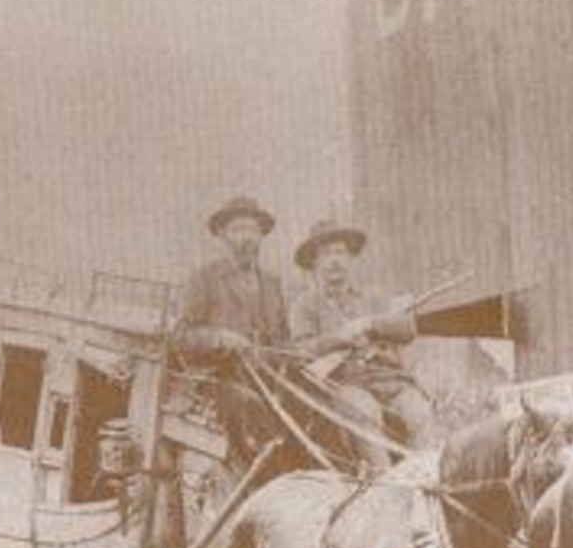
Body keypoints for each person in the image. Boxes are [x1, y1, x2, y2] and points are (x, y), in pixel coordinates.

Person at [287, 219, 439, 468]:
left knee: (419, 413)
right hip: (345, 385)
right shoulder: (304, 306)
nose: (335, 260)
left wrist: (371, 323)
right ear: (314, 263)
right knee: (365, 413)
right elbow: (301, 351)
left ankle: (424, 483)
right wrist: (340, 338)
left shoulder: (373, 297)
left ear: (350, 259)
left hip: (391, 380)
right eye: (326, 254)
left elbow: (408, 329)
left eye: (341, 253)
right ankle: (386, 485)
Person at [171, 194, 288, 362]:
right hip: (216, 378)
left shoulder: (272, 284)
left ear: (261, 236)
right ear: (222, 234)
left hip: (266, 378)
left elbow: (283, 338)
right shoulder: (204, 278)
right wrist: (219, 338)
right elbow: (180, 337)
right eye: (238, 230)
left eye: (253, 230)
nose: (247, 238)